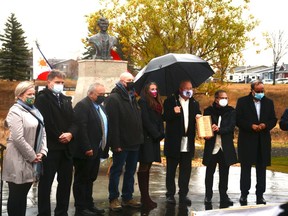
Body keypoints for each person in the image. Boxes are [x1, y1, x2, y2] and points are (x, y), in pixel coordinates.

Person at [35, 70, 78, 216]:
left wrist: (70, 134)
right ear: (49, 82)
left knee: (65, 183)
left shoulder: (66, 99)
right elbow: (46, 121)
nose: (60, 85)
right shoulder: (42, 99)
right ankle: (44, 213)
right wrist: (60, 135)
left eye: (62, 83)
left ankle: (62, 212)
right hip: (51, 147)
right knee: (46, 184)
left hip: (66, 149)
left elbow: (74, 120)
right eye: (57, 82)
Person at [3, 81, 48, 216]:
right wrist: (33, 156)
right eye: (29, 94)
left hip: (32, 158)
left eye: (33, 93)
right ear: (20, 95)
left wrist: (42, 152)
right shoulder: (15, 111)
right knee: (17, 196)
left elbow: (43, 131)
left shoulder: (34, 110)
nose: (33, 96)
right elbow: (18, 138)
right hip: (18, 159)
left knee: (22, 196)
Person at [105, 72, 144, 211]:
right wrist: (115, 144)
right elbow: (113, 123)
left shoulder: (132, 97)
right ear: (121, 82)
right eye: (129, 80)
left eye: (133, 80)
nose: (131, 82)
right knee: (116, 171)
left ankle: (127, 197)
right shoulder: (114, 98)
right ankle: (114, 198)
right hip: (121, 143)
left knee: (131, 171)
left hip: (134, 142)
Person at [236, 80, 277, 206]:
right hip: (247, 140)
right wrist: (250, 126)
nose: (260, 93)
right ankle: (244, 194)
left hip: (262, 140)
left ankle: (260, 195)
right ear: (252, 90)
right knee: (246, 169)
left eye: (262, 91)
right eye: (258, 91)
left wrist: (266, 125)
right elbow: (238, 119)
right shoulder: (242, 102)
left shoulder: (268, 102)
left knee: (261, 169)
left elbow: (273, 119)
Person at [163, 80, 201, 206]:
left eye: (191, 88)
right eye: (186, 88)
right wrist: (173, 112)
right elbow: (165, 118)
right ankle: (170, 194)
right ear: (180, 89)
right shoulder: (170, 101)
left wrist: (199, 119)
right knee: (171, 169)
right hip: (174, 141)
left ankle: (183, 194)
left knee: (186, 169)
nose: (189, 90)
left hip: (188, 141)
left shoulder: (194, 103)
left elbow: (199, 120)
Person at [72, 83, 107, 216]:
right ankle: (80, 207)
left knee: (90, 178)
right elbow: (81, 128)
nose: (102, 97)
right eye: (100, 95)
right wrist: (87, 147)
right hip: (85, 151)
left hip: (97, 149)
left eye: (104, 94)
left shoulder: (100, 107)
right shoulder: (83, 105)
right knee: (82, 179)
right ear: (91, 93)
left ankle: (89, 204)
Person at [202, 90, 237, 208]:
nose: (224, 100)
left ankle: (223, 195)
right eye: (222, 97)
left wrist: (219, 129)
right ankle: (208, 195)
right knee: (209, 172)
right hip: (212, 146)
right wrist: (207, 132)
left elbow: (230, 127)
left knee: (224, 173)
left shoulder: (231, 111)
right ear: (216, 99)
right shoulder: (208, 111)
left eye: (226, 98)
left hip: (225, 147)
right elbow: (205, 126)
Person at [137, 82, 164, 209]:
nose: (155, 91)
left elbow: (159, 119)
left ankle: (146, 196)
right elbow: (145, 120)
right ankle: (144, 196)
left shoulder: (157, 103)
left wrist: (161, 133)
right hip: (147, 138)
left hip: (154, 138)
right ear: (147, 90)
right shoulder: (143, 102)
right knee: (144, 165)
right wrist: (156, 134)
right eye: (152, 89)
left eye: (156, 89)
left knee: (149, 166)